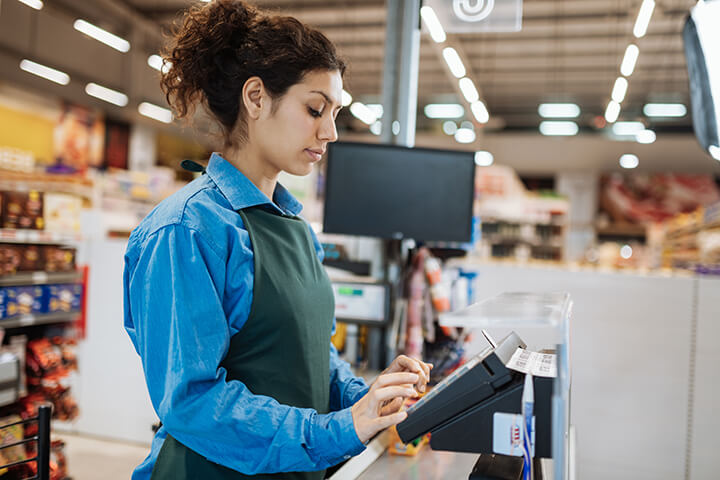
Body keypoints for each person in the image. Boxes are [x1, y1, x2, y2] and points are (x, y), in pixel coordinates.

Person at [122, 1, 432, 479]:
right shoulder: (186, 230)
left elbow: (310, 356)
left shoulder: (294, 227)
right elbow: (191, 401)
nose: (329, 132)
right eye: (314, 109)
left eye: (335, 113)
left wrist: (368, 397)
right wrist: (337, 430)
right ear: (256, 98)